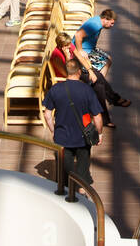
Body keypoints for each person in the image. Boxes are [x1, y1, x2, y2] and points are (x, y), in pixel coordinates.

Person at [43, 56, 103, 190]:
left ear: (66, 71)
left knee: (63, 172)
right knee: (83, 168)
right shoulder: (87, 90)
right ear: (79, 72)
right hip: (83, 137)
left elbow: (47, 114)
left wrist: (53, 131)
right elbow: (97, 116)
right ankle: (81, 191)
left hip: (62, 137)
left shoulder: (56, 89)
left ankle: (64, 192)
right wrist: (99, 133)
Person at [71, 9, 131, 127]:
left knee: (108, 60)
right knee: (99, 84)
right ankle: (111, 101)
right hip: (82, 55)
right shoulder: (95, 24)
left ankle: (99, 82)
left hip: (90, 50)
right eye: (112, 23)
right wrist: (80, 50)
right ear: (105, 19)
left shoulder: (97, 22)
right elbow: (78, 35)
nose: (112, 26)